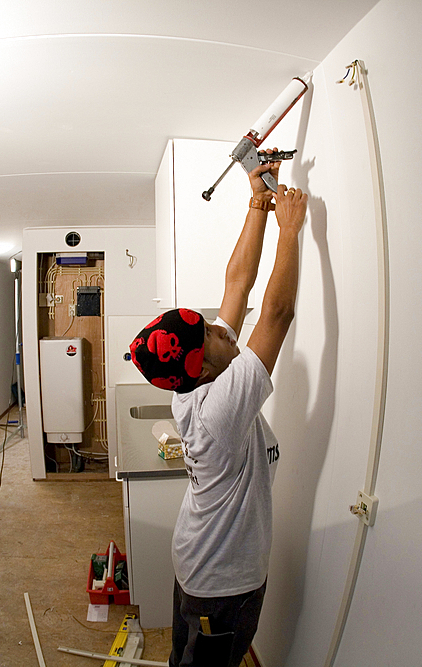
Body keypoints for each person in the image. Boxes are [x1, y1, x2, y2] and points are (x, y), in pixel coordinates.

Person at [128, 152, 308, 667]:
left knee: (187, 657)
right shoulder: (220, 407)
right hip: (223, 584)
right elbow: (276, 312)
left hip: (200, 561)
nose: (220, 328)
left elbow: (237, 285)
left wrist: (257, 203)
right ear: (202, 369)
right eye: (208, 334)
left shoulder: (200, 375)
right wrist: (289, 231)